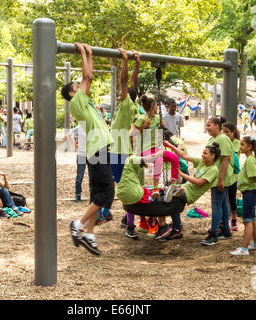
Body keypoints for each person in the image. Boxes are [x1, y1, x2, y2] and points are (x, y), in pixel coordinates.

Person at [61, 43, 114, 256]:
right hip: (98, 149)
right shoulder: (76, 104)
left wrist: (90, 54)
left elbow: (88, 77)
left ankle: (89, 234)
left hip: (97, 149)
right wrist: (83, 53)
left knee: (96, 194)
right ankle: (79, 223)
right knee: (108, 192)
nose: (81, 85)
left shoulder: (83, 101)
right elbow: (87, 77)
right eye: (77, 85)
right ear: (73, 93)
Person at [131, 94, 180, 238]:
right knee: (156, 161)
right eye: (155, 106)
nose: (156, 108)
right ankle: (155, 188)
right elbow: (130, 133)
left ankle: (172, 184)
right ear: (151, 107)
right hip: (146, 149)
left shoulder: (158, 117)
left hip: (157, 148)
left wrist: (162, 126)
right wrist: (142, 127)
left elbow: (162, 128)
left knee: (174, 159)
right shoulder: (142, 118)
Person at [161, 141, 221, 240]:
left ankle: (175, 228)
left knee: (171, 199)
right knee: (167, 196)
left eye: (205, 153)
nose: (202, 155)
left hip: (190, 194)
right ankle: (174, 227)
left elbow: (199, 182)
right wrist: (169, 145)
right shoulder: (202, 162)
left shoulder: (213, 170)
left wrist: (182, 174)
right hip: (185, 187)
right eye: (202, 152)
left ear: (213, 156)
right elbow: (184, 155)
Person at [109, 48, 140, 230]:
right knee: (124, 184)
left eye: (123, 93)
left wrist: (125, 59)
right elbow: (132, 82)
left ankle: (130, 217)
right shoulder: (131, 104)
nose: (120, 94)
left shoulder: (127, 103)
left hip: (119, 151)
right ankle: (128, 217)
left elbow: (124, 81)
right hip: (121, 150)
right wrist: (137, 62)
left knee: (123, 185)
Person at [116, 151, 179, 241]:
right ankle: (153, 219)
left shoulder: (126, 167)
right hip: (133, 193)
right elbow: (144, 159)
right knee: (148, 196)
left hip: (121, 194)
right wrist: (159, 153)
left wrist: (146, 165)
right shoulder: (131, 158)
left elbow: (142, 162)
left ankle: (131, 227)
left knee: (137, 196)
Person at [230, 136, 256, 255]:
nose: (240, 147)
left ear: (249, 147)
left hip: (250, 193)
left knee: (247, 221)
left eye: (242, 145)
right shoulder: (250, 159)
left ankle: (244, 249)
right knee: (252, 219)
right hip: (250, 193)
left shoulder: (250, 160)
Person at [202, 116, 234, 246]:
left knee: (216, 205)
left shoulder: (224, 139)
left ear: (217, 125)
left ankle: (213, 233)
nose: (207, 127)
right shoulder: (212, 139)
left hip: (220, 178)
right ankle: (225, 230)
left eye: (209, 125)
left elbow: (225, 159)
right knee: (222, 204)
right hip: (215, 176)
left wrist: (220, 180)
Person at [222, 122, 240, 231]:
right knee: (222, 199)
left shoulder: (237, 143)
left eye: (227, 132)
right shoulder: (222, 141)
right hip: (224, 175)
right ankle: (223, 220)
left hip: (233, 175)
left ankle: (234, 219)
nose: (225, 134)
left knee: (232, 198)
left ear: (233, 132)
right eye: (223, 132)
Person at [66, 124, 87, 202]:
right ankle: (78, 194)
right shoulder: (79, 127)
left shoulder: (93, 126)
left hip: (92, 155)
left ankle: (93, 194)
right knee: (79, 176)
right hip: (81, 155)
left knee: (93, 176)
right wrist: (74, 145)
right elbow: (68, 135)